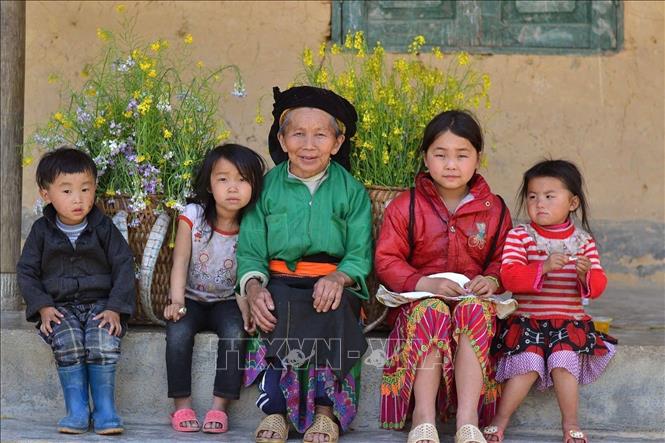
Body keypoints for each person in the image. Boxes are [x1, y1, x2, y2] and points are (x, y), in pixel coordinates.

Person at [237, 85, 372, 443]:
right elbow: (251, 250)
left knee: (336, 307)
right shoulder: (264, 188)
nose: (308, 145)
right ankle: (276, 412)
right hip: (280, 280)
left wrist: (340, 277)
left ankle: (326, 414)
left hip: (332, 283)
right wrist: (253, 288)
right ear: (282, 140)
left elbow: (359, 253)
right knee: (273, 308)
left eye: (320, 135)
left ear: (337, 142)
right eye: (298, 134)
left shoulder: (351, 191)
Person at [375, 110, 513, 443]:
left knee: (476, 311)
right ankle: (423, 418)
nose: (451, 164)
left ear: (478, 158)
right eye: (440, 154)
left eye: (462, 155)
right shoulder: (406, 206)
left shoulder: (494, 209)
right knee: (432, 312)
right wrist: (424, 284)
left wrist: (492, 280)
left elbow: (503, 259)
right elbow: (386, 259)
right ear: (425, 158)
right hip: (418, 306)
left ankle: (468, 421)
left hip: (470, 303)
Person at [482, 160, 616, 443]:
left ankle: (570, 424)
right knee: (527, 362)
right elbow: (509, 276)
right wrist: (541, 268)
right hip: (527, 321)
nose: (539, 203)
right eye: (532, 196)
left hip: (568, 323)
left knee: (564, 361)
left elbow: (598, 284)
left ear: (572, 202)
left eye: (549, 196)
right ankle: (499, 420)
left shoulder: (583, 241)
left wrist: (586, 274)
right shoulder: (520, 236)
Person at [17, 146, 135, 435]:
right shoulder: (41, 232)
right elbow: (27, 272)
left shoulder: (104, 229)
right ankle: (77, 410)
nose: (78, 199)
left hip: (101, 304)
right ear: (46, 194)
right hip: (59, 307)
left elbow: (124, 266)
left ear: (95, 188)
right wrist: (43, 306)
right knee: (67, 340)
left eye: (85, 189)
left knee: (103, 340)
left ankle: (106, 409)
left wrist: (115, 307)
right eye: (67, 191)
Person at [163, 144, 265, 433]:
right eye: (223, 179)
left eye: (243, 179)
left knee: (235, 334)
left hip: (228, 300)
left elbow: (254, 268)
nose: (233, 188)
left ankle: (219, 408)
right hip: (192, 297)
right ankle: (182, 406)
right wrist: (176, 301)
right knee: (178, 332)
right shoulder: (193, 215)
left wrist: (248, 306)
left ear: (255, 185)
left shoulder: (253, 223)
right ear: (209, 183)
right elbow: (180, 260)